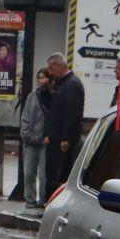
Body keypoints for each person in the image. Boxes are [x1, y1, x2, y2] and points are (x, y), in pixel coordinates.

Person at [42, 52, 87, 196]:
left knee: (59, 175)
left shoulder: (72, 84)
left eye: (51, 68)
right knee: (51, 174)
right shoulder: (60, 84)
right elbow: (52, 108)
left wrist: (66, 138)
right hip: (55, 139)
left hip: (62, 142)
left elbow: (72, 113)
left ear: (58, 65)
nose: (49, 72)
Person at [11, 68, 50, 206]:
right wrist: (27, 135)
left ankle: (43, 199)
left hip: (46, 141)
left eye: (44, 77)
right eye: (39, 77)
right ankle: (30, 200)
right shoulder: (32, 97)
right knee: (29, 172)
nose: (41, 80)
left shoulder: (54, 96)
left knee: (44, 174)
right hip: (30, 141)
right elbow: (25, 118)